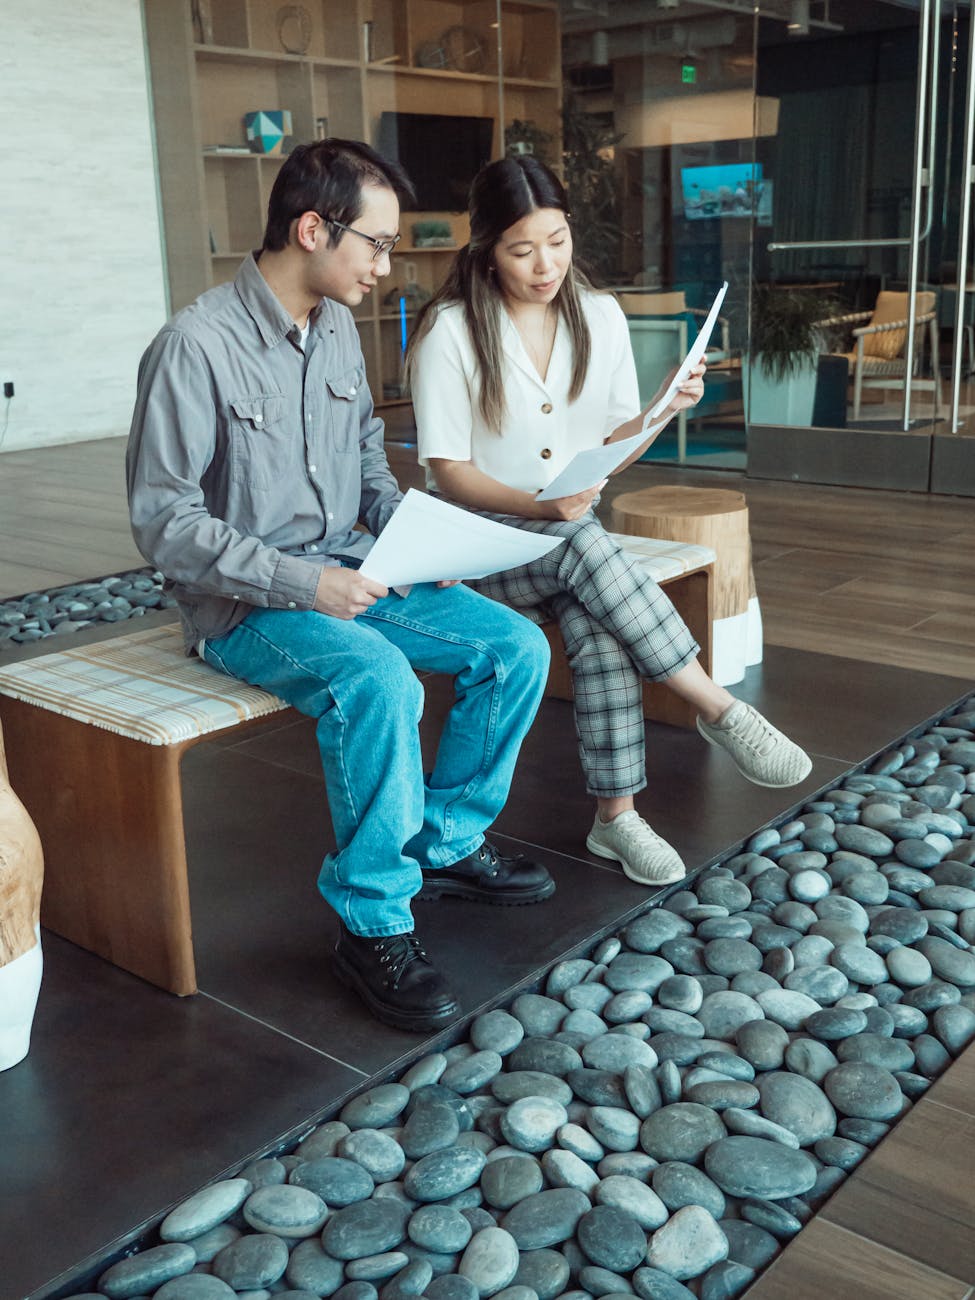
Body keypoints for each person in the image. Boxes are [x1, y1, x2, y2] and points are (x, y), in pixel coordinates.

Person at [126, 139, 555, 1035]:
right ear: (312, 228)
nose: (386, 267)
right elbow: (164, 524)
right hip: (245, 604)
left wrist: (414, 536)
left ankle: (445, 841)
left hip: (358, 567)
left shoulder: (335, 333)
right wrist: (301, 582)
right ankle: (373, 922)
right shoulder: (193, 346)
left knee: (512, 647)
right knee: (377, 680)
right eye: (378, 244)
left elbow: (366, 467)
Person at [408, 155, 812, 889]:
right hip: (477, 551)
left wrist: (662, 405)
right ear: (485, 248)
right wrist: (541, 507)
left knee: (598, 627)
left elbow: (610, 449)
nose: (545, 264)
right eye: (521, 249)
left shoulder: (598, 314)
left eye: (557, 241)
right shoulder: (451, 331)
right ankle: (713, 705)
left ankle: (615, 820)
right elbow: (448, 473)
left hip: (566, 543)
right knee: (578, 542)